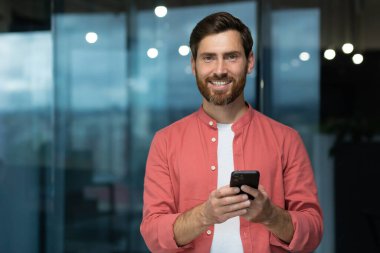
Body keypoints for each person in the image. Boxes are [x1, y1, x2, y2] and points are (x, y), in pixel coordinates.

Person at [140, 12, 323, 253]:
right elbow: (153, 235)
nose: (219, 70)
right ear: (193, 65)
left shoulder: (286, 140)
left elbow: (313, 232)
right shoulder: (165, 142)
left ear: (249, 62)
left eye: (231, 57)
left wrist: (270, 215)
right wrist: (205, 215)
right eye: (208, 58)